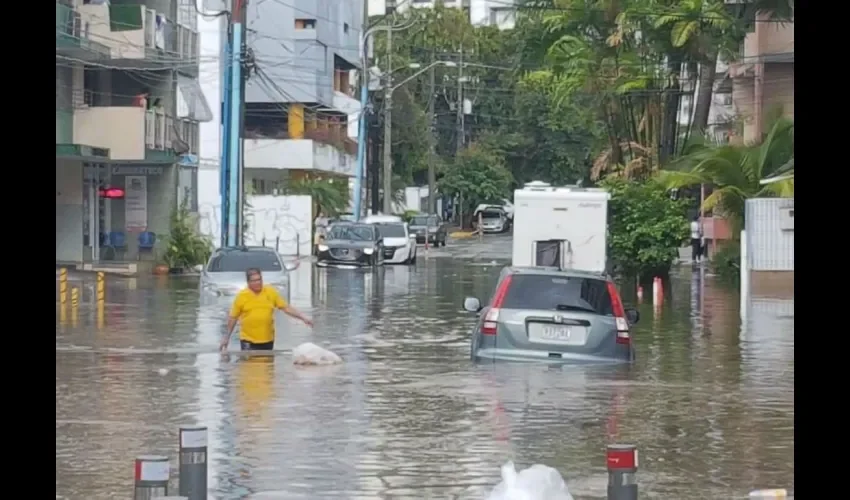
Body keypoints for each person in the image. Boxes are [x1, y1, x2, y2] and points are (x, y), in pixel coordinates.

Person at [219, 268, 313, 351]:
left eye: (259, 279)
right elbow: (233, 318)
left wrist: (303, 317)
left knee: (266, 368)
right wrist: (226, 337)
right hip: (248, 340)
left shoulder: (270, 292)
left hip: (267, 340)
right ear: (248, 282)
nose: (258, 282)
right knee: (249, 369)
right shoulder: (242, 296)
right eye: (254, 280)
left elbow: (286, 308)